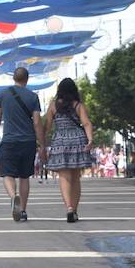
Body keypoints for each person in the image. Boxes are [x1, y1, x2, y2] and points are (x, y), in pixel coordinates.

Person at [0, 67, 46, 222]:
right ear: (27, 79)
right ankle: (22, 210)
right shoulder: (33, 97)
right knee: (24, 177)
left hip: (8, 141)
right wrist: (42, 145)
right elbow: (36, 122)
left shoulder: (3, 94)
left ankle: (13, 196)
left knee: (7, 174)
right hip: (28, 142)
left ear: (13, 78)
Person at [43, 78, 93, 223]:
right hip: (77, 140)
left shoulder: (53, 106)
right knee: (76, 178)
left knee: (64, 177)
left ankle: (69, 208)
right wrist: (90, 140)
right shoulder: (78, 106)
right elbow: (86, 123)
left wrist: (43, 144)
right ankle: (75, 210)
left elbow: (47, 126)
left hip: (60, 141)